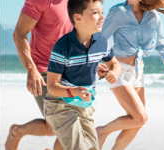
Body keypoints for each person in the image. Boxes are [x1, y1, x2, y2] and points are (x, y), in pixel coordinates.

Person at [96, 0, 164, 149]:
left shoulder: (153, 16)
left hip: (139, 72)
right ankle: (102, 131)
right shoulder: (118, 12)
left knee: (138, 123)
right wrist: (95, 62)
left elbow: (161, 42)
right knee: (140, 117)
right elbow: (100, 39)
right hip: (119, 71)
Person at [44, 0, 121, 149]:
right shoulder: (62, 46)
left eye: (102, 12)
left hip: (85, 104)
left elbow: (115, 64)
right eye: (95, 13)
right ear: (77, 18)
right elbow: (52, 86)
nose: (102, 17)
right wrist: (74, 91)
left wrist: (114, 73)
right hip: (61, 104)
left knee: (93, 147)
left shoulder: (101, 41)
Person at [5, 0, 73, 149]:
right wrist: (31, 69)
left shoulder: (78, 2)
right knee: (63, 126)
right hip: (45, 71)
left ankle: (17, 132)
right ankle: (17, 132)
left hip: (70, 72)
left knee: (61, 125)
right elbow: (19, 33)